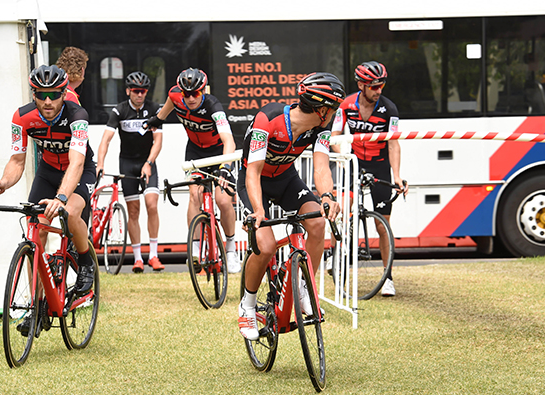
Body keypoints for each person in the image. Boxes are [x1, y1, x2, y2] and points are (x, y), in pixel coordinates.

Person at [0, 65, 96, 331]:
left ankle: (84, 261)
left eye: (54, 95)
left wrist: (61, 196)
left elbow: (77, 162)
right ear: (34, 93)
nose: (48, 101)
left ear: (63, 93)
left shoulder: (77, 115)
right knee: (34, 232)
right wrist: (4, 183)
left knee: (69, 213)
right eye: (41, 94)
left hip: (79, 170)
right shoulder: (22, 117)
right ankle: (36, 306)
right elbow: (17, 160)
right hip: (47, 170)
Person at [237, 72, 344, 340]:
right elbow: (253, 171)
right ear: (321, 109)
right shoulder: (269, 119)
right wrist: (258, 211)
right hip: (255, 180)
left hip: (286, 180)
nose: (335, 113)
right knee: (266, 245)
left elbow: (320, 166)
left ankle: (305, 289)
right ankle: (247, 306)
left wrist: (327, 196)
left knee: (317, 223)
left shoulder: (320, 128)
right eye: (333, 108)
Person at [144, 68, 241, 275]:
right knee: (194, 195)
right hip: (196, 153)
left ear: (203, 91)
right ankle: (196, 248)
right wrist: (158, 119)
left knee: (223, 200)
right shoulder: (176, 96)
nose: (190, 98)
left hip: (219, 153)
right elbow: (170, 104)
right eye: (186, 94)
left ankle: (231, 249)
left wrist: (226, 168)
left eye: (195, 94)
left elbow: (229, 140)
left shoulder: (213, 106)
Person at [330, 61, 408, 297]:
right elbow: (334, 136)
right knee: (341, 212)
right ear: (362, 85)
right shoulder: (346, 105)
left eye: (382, 85)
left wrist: (396, 175)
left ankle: (388, 277)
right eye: (374, 86)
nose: (379, 90)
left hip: (380, 166)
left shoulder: (389, 109)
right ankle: (336, 265)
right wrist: (342, 156)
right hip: (355, 163)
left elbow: (393, 143)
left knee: (382, 225)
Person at [97, 71, 164, 273]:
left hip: (147, 163)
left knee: (151, 205)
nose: (140, 95)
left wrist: (149, 162)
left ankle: (153, 255)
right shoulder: (119, 111)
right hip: (127, 163)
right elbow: (106, 140)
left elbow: (158, 141)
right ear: (128, 91)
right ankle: (137, 259)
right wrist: (100, 163)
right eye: (136, 91)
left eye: (143, 91)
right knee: (133, 211)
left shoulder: (154, 109)